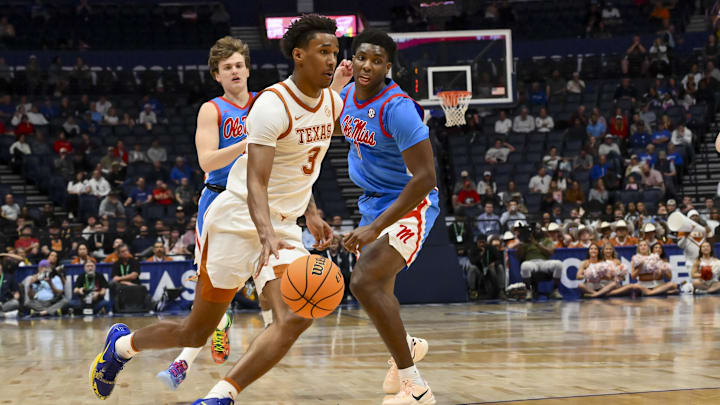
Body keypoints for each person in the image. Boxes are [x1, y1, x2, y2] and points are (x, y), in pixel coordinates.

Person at [90, 16, 345, 404]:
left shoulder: (332, 102)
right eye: (323, 52)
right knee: (196, 331)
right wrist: (264, 233)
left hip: (282, 225)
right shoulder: (267, 105)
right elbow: (252, 180)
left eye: (335, 53)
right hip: (235, 216)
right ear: (298, 55)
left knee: (293, 316)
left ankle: (220, 396)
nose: (331, 60)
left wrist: (309, 212)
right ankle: (121, 347)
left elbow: (296, 165)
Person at [338, 28, 437, 403]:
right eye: (362, 57)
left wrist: (375, 226)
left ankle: (416, 387)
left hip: (410, 201)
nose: (367, 65)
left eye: (377, 61)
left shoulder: (398, 108)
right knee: (377, 289)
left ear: (387, 66)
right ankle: (405, 349)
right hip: (372, 201)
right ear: (353, 58)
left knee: (362, 282)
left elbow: (426, 177)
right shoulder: (346, 95)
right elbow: (326, 121)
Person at [516, 225, 563, 300]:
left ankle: (555, 290)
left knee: (559, 264)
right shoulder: (526, 241)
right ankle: (529, 291)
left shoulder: (547, 240)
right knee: (524, 265)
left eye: (538, 229)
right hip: (531, 262)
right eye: (535, 229)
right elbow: (519, 256)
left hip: (544, 262)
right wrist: (521, 244)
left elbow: (550, 253)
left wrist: (536, 244)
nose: (537, 231)